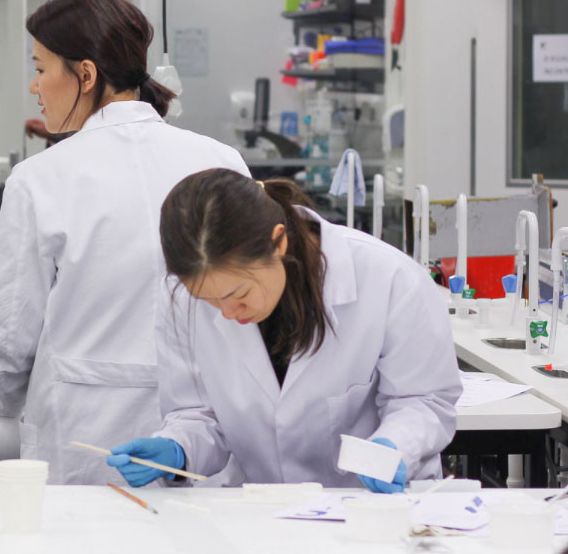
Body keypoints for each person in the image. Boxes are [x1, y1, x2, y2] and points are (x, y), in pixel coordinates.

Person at [0, 0, 250, 484]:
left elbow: (12, 330)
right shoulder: (221, 161)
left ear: (85, 74)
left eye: (41, 68)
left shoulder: (40, 179)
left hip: (83, 435)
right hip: (204, 438)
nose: (34, 86)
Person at [106, 169, 461, 490]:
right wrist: (178, 448)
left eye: (239, 294)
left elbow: (423, 400)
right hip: (261, 512)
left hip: (367, 507)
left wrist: (396, 446)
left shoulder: (389, 279)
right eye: (209, 301)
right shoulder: (182, 302)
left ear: (279, 243)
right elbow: (198, 415)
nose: (227, 313)